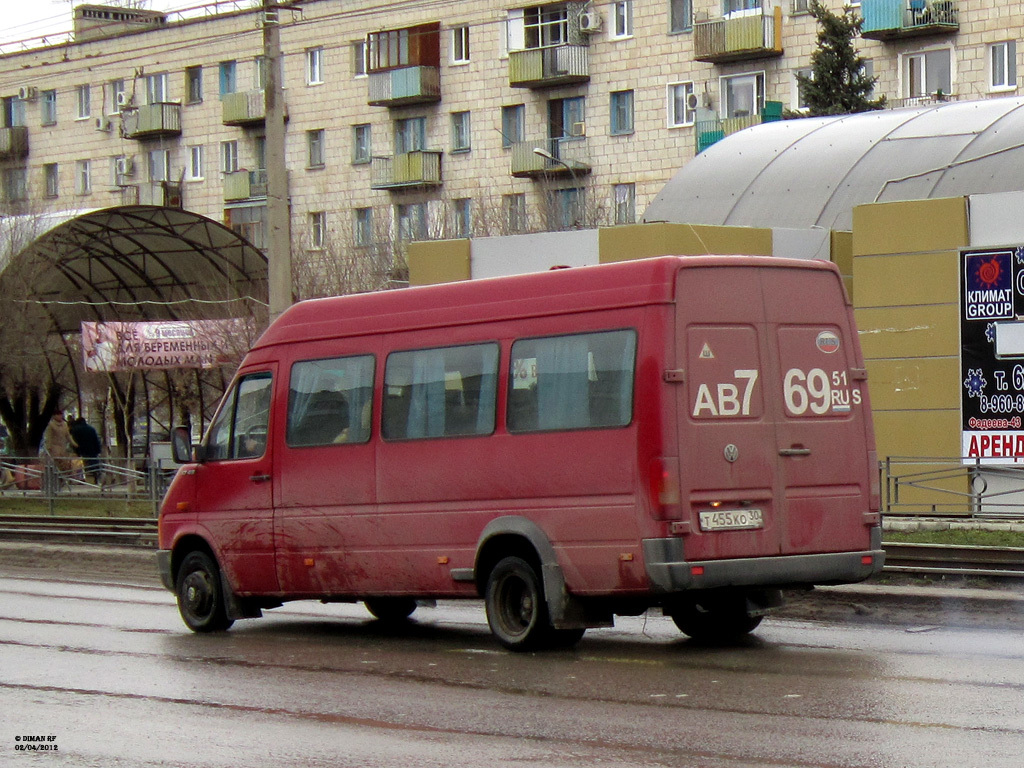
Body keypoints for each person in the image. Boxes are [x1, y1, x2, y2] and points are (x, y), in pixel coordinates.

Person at [70, 417, 104, 483]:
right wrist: (98, 450)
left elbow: (75, 441)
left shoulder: (75, 430)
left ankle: (83, 480)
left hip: (82, 451)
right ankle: (97, 478)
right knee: (94, 465)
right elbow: (96, 441)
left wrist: (76, 452)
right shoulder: (91, 429)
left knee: (83, 466)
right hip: (92, 451)